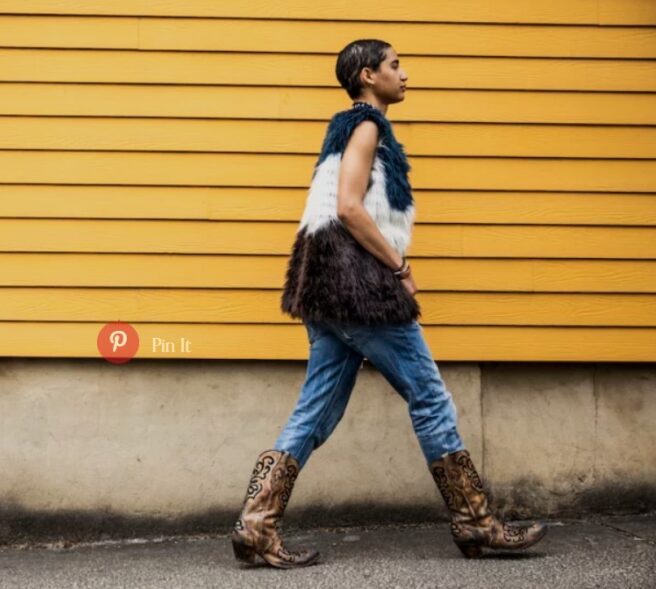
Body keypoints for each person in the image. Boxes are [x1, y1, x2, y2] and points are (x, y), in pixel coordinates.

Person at [229, 39, 546, 569]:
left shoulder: (346, 129)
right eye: (395, 66)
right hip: (359, 289)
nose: (405, 74)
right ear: (368, 76)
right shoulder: (366, 126)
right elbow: (349, 208)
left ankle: (256, 525)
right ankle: (475, 521)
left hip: (323, 287)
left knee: (316, 409)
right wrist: (399, 268)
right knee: (430, 396)